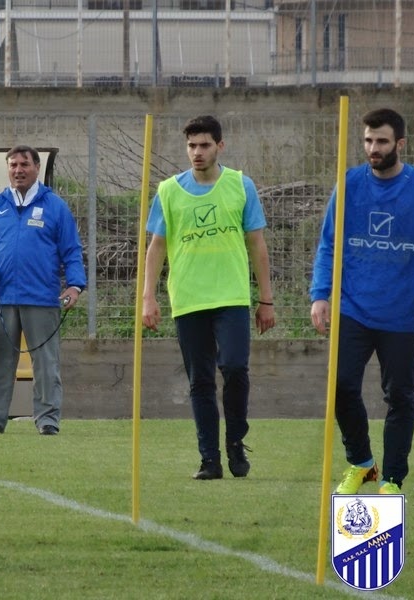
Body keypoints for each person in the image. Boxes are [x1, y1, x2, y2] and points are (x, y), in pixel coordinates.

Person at [141, 115, 276, 480]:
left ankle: (235, 440)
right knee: (199, 381)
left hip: (231, 297)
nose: (197, 152)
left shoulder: (240, 185)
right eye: (191, 146)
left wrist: (266, 299)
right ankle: (209, 459)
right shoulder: (169, 190)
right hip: (188, 299)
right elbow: (157, 247)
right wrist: (147, 297)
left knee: (233, 367)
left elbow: (257, 246)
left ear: (220, 146)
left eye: (204, 145)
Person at [310, 108, 414, 496]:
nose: (374, 148)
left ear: (400, 144)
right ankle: (362, 464)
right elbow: (329, 244)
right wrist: (320, 295)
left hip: (403, 314)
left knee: (401, 397)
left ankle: (391, 479)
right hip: (352, 308)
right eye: (369, 141)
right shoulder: (350, 183)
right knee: (340, 386)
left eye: (382, 141)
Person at [0, 145, 86, 435]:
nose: (18, 170)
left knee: (46, 364)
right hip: (2, 297)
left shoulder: (55, 206)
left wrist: (74, 285)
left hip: (42, 299)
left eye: (24, 164)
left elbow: (71, 249)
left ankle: (47, 420)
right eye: (13, 165)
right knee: (0, 364)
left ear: (36, 167)